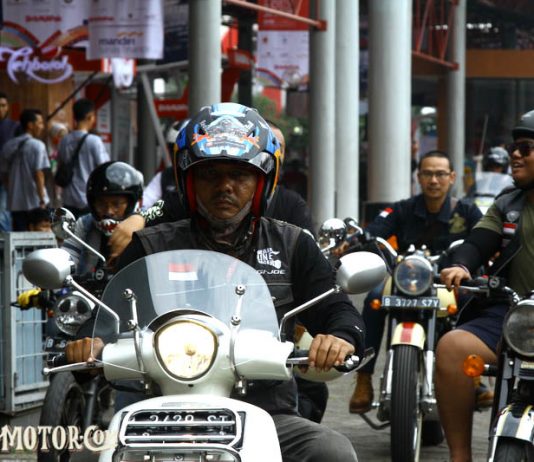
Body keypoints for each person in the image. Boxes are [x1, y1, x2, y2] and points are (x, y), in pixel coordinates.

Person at [67, 102, 363, 461]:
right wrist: (90, 341)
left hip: (267, 413)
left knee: (332, 451)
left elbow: (336, 308)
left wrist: (341, 337)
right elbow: (108, 315)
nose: (225, 186)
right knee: (86, 456)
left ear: (263, 180)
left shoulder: (292, 244)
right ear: (187, 180)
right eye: (209, 174)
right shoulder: (150, 246)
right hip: (158, 409)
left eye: (240, 175)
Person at [346, 150, 483, 414]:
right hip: (406, 280)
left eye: (440, 174)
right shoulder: (402, 209)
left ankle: (474, 377)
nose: (434, 180)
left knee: (472, 297)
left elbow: (483, 237)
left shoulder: (467, 211)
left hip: (448, 283)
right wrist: (355, 240)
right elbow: (374, 232)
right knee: (374, 297)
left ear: (452, 177)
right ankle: (363, 378)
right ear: (418, 177)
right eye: (428, 174)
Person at [436, 110, 534, 462]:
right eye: (513, 148)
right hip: (513, 313)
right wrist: (461, 265)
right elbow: (478, 242)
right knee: (452, 347)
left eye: (526, 148)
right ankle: (460, 456)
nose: (515, 154)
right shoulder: (507, 203)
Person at [61, 161, 143, 276]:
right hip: (87, 288)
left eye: (116, 204)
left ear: (132, 203)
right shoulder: (84, 224)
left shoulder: (148, 224)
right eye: (101, 203)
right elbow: (66, 261)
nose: (109, 211)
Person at [56, 98, 109, 218]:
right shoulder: (94, 141)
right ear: (90, 117)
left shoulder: (64, 140)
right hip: (88, 198)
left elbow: (60, 164)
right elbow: (104, 168)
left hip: (68, 198)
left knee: (70, 229)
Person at [0, 108, 50, 231]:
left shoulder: (8, 145)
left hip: (15, 204)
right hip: (35, 203)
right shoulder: (38, 145)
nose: (42, 127)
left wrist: (13, 191)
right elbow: (39, 174)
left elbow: (4, 175)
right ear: (30, 125)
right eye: (40, 123)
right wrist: (42, 199)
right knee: (37, 237)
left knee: (18, 237)